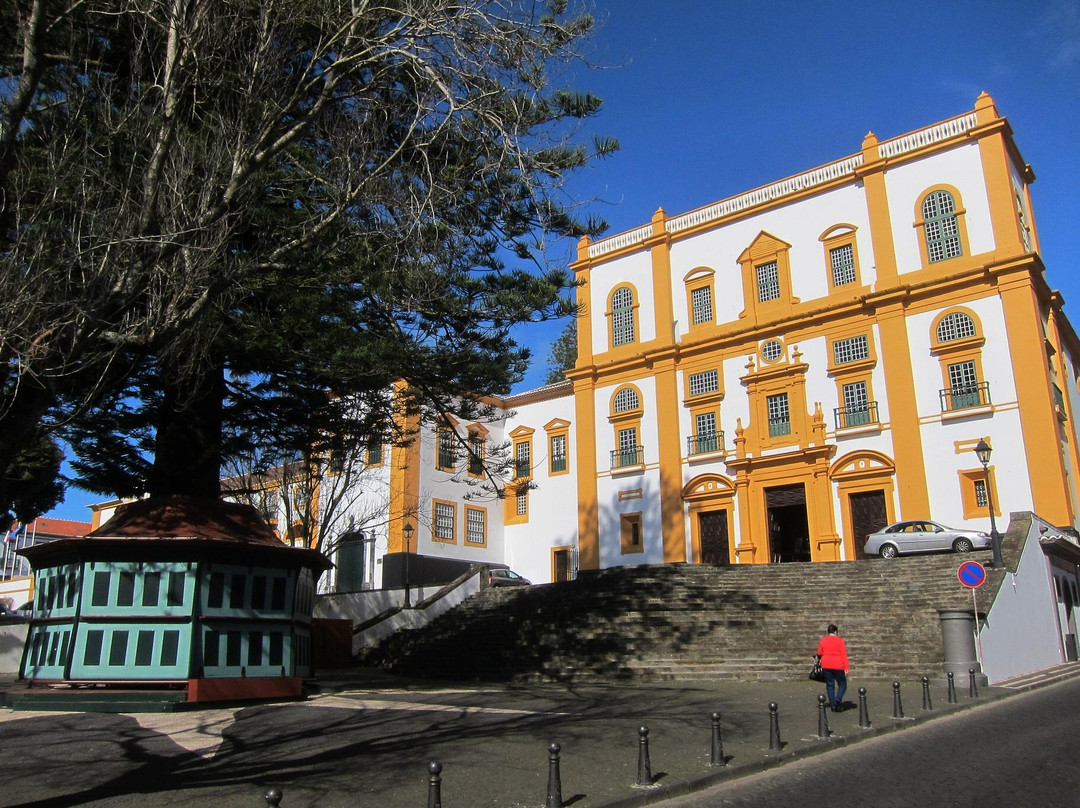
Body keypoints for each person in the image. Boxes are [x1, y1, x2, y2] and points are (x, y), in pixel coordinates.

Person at [816, 623, 849, 711]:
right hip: (838, 664)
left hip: (826, 664)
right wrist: (846, 667)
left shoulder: (823, 640)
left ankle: (833, 705)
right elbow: (844, 655)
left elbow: (819, 652)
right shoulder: (840, 641)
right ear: (835, 632)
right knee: (842, 684)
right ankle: (837, 700)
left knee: (830, 684)